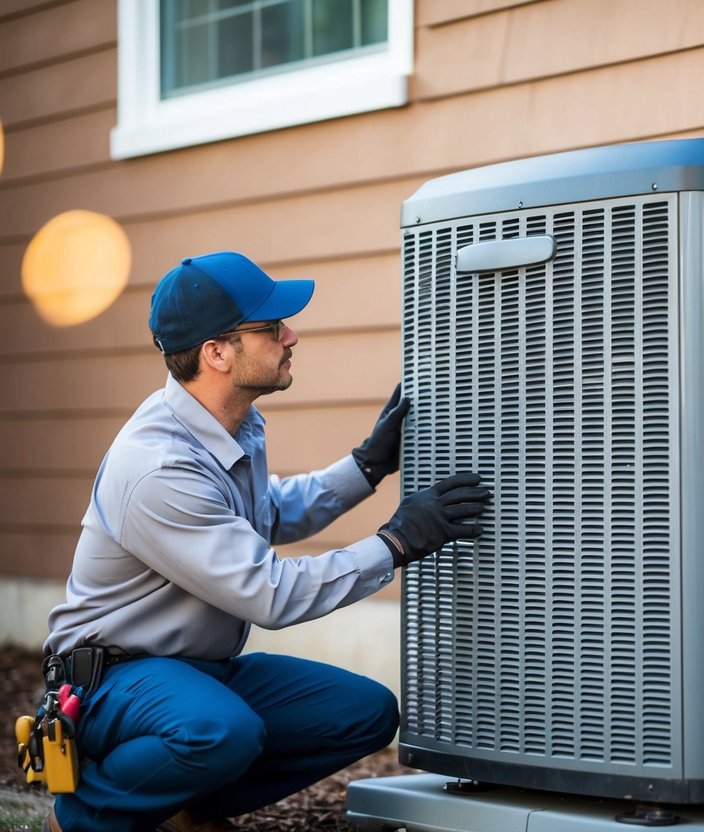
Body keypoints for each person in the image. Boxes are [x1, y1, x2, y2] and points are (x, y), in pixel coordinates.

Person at [40, 251, 491, 832]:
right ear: (217, 352)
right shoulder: (158, 467)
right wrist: (397, 543)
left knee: (363, 713)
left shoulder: (231, 423)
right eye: (271, 328)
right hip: (111, 684)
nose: (291, 336)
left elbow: (267, 512)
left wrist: (367, 466)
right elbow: (269, 593)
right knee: (219, 730)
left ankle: (182, 808)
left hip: (197, 672)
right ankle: (79, 817)